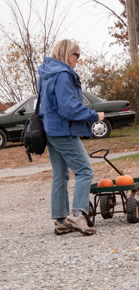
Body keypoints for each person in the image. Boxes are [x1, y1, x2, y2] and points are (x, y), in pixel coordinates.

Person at [37, 39, 104, 235]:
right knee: (85, 172)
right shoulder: (64, 74)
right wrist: (94, 116)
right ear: (68, 55)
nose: (77, 60)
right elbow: (69, 108)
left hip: (49, 130)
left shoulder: (45, 74)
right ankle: (77, 215)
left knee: (61, 174)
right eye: (77, 56)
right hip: (63, 131)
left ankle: (59, 220)